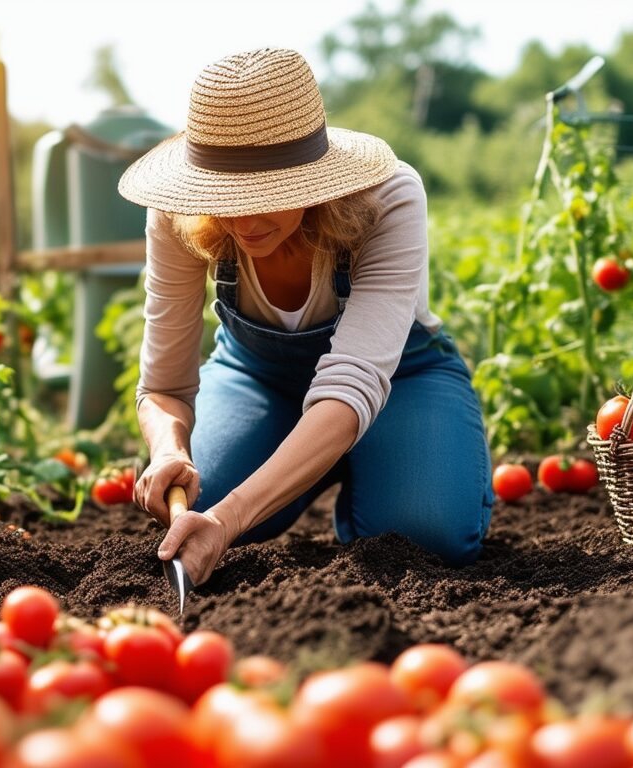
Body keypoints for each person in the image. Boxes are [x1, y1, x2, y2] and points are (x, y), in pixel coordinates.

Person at [117, 47, 493, 587]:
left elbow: (351, 386)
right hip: (259, 378)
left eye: (268, 193)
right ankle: (315, 463)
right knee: (205, 495)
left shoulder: (386, 199)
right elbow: (163, 387)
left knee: (422, 537)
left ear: (311, 177)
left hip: (398, 380)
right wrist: (169, 449)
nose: (243, 221)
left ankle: (372, 468)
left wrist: (228, 521)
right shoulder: (180, 213)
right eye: (226, 195)